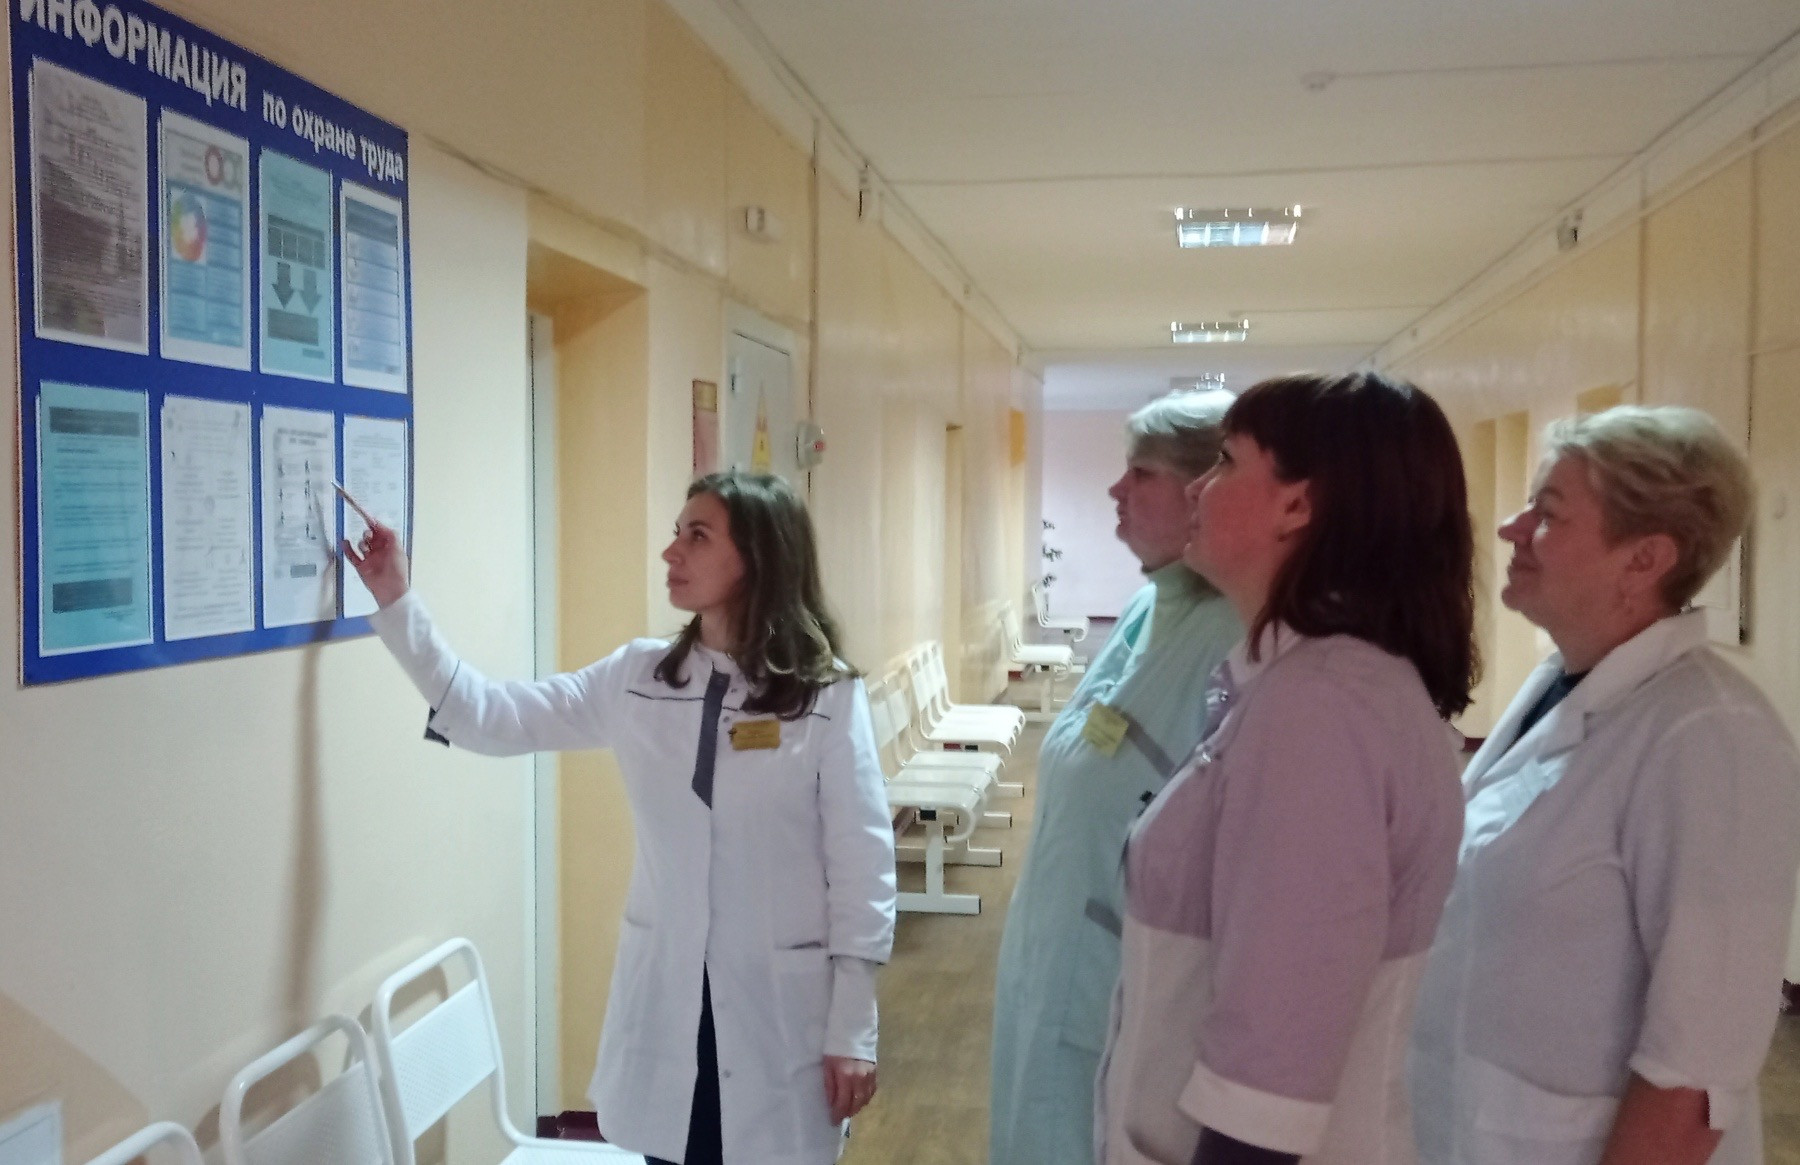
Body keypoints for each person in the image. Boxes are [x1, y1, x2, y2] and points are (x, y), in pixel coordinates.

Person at [344, 470, 898, 1165]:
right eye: (676, 532)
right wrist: (398, 601)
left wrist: (854, 1025)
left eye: (698, 536)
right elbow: (492, 716)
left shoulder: (825, 696)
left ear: (758, 556)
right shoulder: (637, 678)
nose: (672, 551)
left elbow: (862, 867)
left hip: (778, 1008)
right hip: (669, 1002)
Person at [1098, 371, 1477, 1165]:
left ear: (1299, 505)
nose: (1198, 487)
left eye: (1226, 462)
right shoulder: (1306, 685)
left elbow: (1266, 1089)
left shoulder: (1322, 709)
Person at [1409, 406, 1800, 1165]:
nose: (1511, 529)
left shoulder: (1711, 736)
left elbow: (1697, 1070)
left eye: (1548, 513)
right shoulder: (1563, 683)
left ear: (1644, 559)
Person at [989, 390, 1242, 1165]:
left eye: (1142, 473)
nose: (1116, 489)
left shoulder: (1233, 640)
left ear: (1204, 493)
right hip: (1053, 959)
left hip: (1119, 991)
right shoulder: (1146, 608)